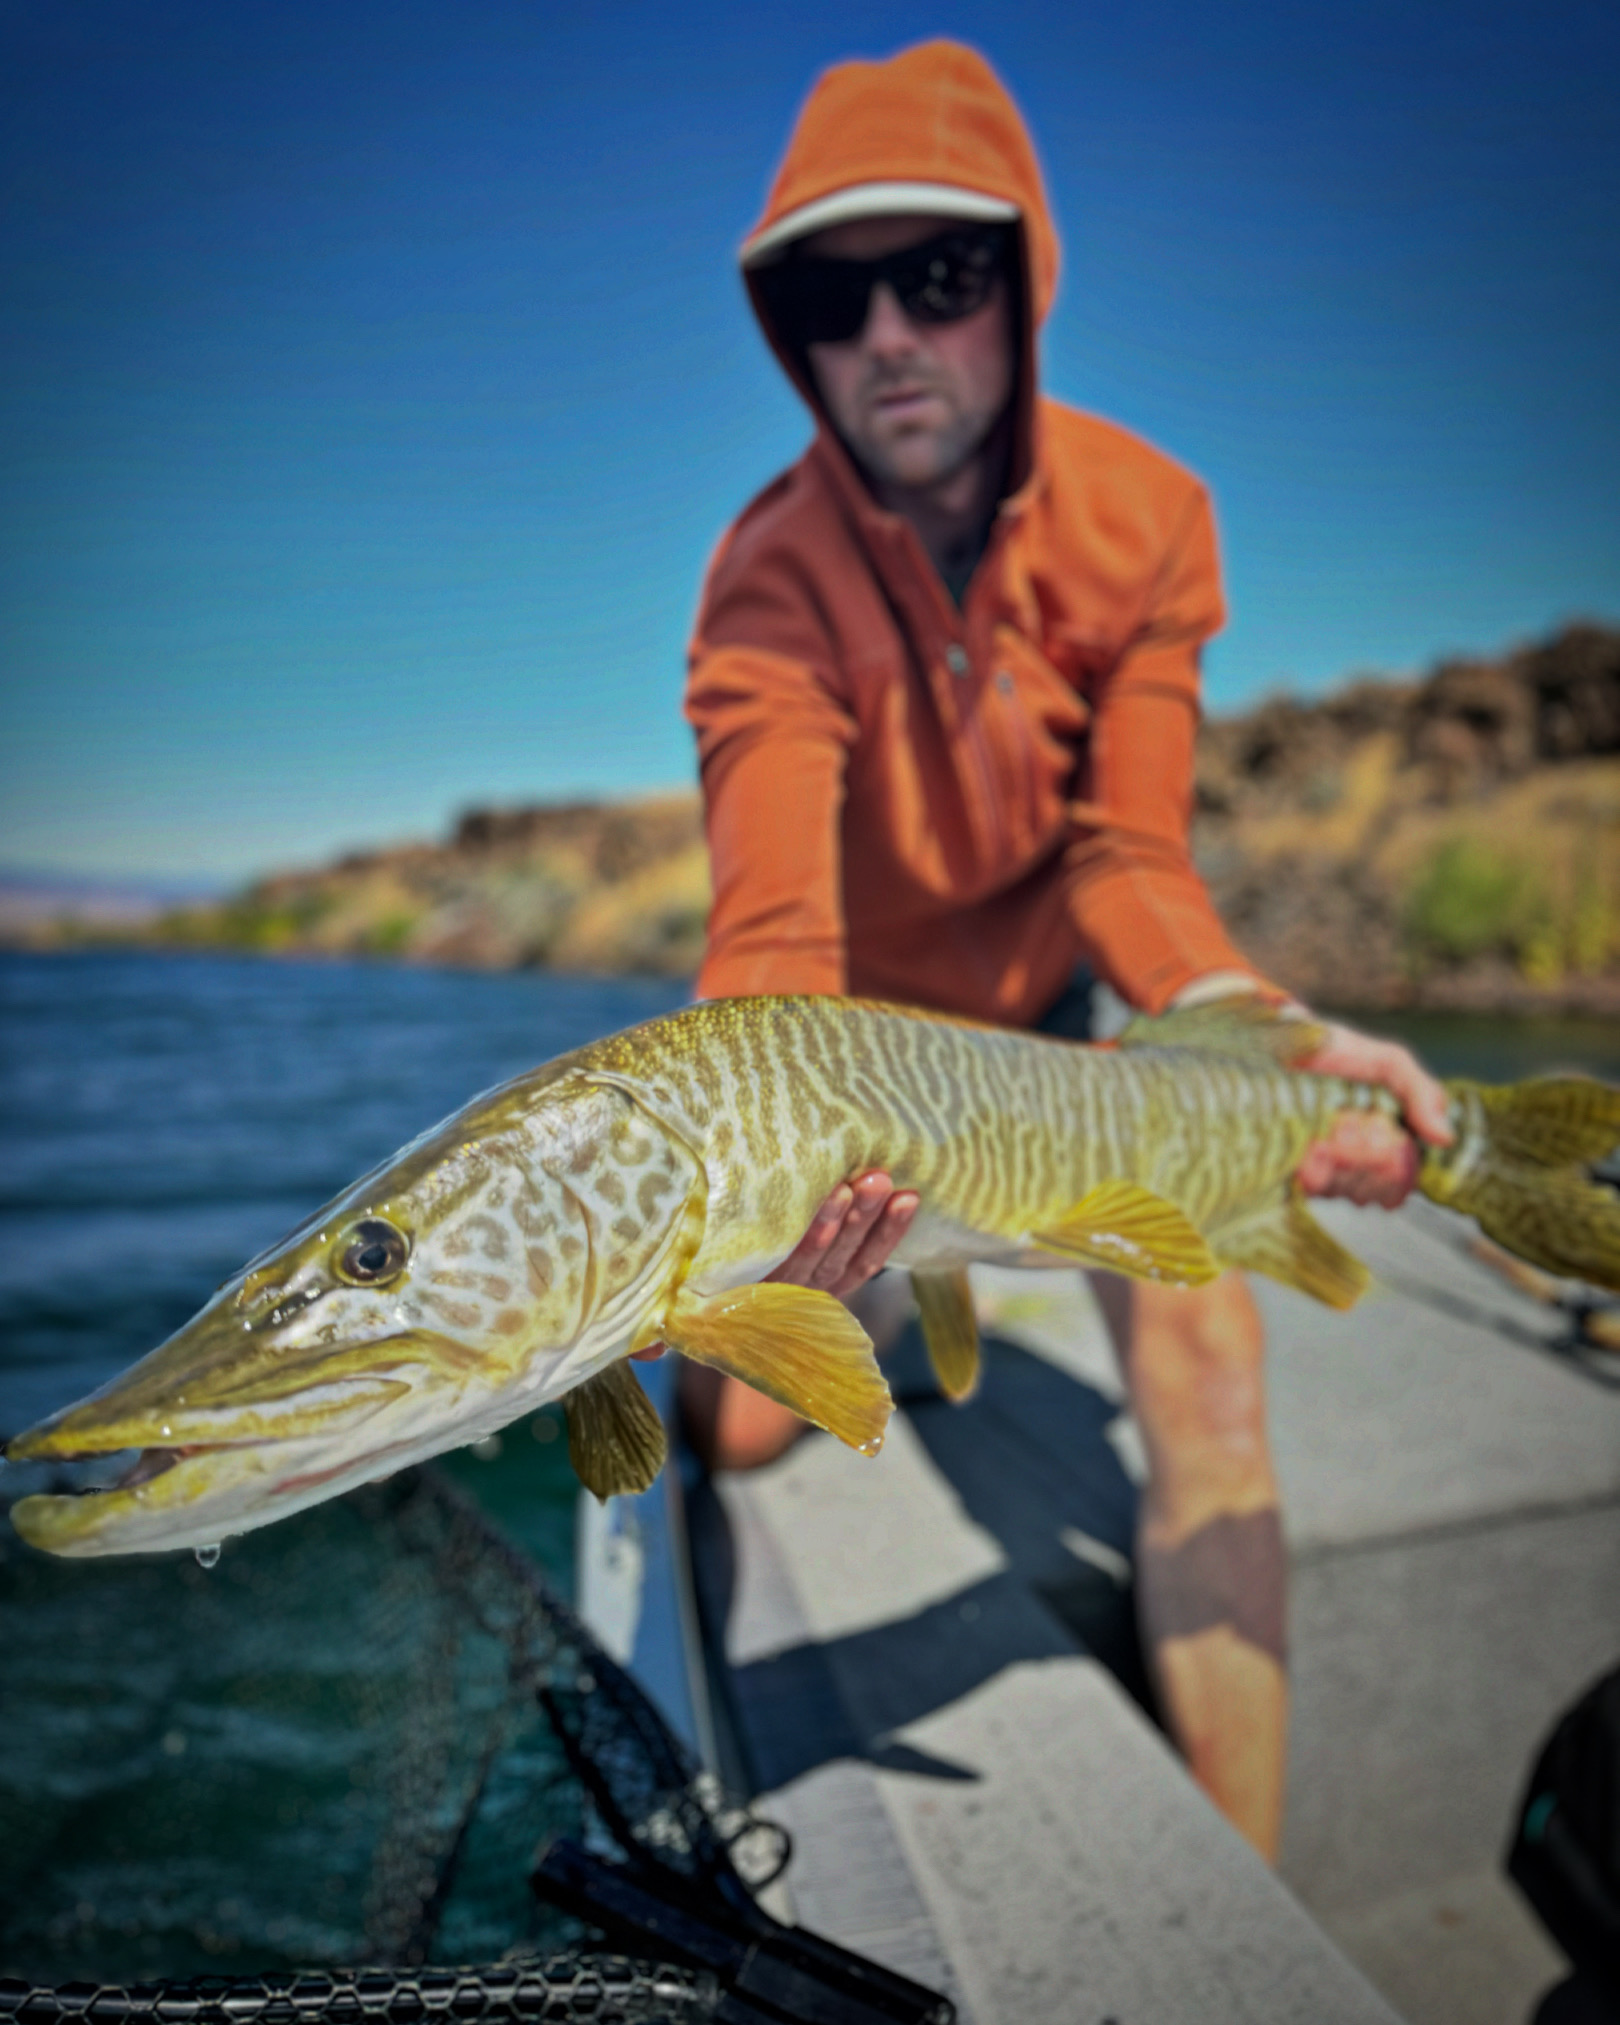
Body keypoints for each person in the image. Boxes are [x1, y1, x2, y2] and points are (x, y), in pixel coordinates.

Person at [668, 40, 1452, 1862]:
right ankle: (877, 1273)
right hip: (859, 1062)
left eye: (939, 275)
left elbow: (1125, 854)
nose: (888, 337)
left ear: (1020, 285)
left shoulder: (1149, 517)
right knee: (739, 1438)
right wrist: (764, 1180)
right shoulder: (762, 579)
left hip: (1071, 1030)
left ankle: (1243, 1913)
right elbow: (774, 930)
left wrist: (1246, 1020)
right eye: (831, 296)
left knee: (1209, 1377)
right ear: (791, 335)